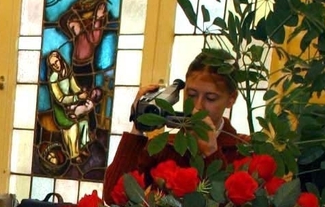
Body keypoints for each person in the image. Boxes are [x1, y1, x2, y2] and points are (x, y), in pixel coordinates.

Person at [103, 52, 246, 192]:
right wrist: (139, 125)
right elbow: (113, 194)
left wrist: (211, 152)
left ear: (231, 99)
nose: (198, 106)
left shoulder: (243, 149)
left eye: (211, 98)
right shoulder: (164, 146)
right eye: (191, 95)